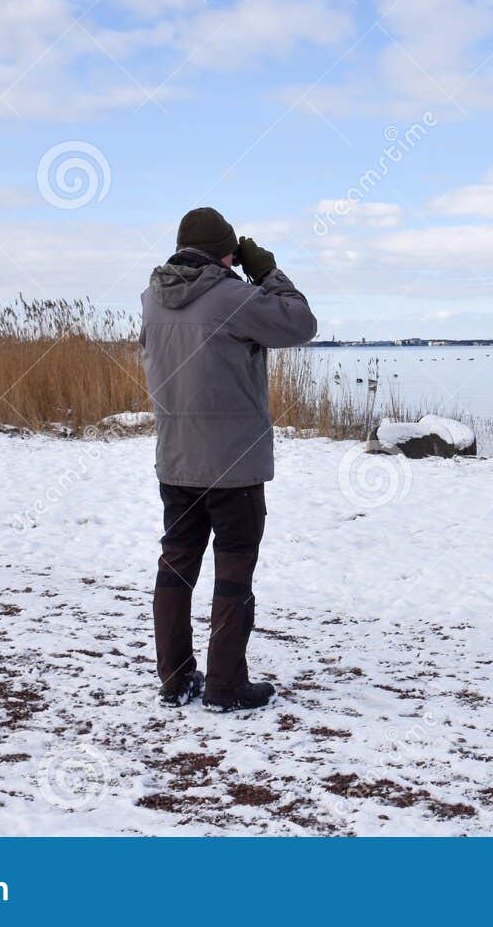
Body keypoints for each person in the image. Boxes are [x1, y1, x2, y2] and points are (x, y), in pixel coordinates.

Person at [139, 206, 318, 711]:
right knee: (233, 572)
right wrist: (266, 272)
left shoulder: (152, 300)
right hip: (234, 467)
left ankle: (175, 680)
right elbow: (301, 323)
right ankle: (225, 685)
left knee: (175, 566)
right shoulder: (234, 297)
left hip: (176, 462)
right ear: (226, 253)